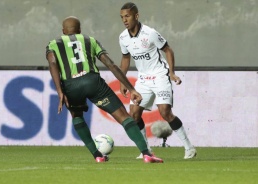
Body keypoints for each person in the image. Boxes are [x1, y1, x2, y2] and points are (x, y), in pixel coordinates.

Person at [45, 16, 163, 163]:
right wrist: (131, 88)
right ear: (80, 30)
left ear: (63, 31)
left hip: (70, 86)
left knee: (77, 117)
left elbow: (53, 63)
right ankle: (146, 154)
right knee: (123, 116)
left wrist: (60, 91)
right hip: (93, 82)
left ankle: (97, 156)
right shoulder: (90, 40)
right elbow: (111, 64)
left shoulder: (53, 44)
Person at [119, 2, 197, 159]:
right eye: (122, 17)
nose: (125, 20)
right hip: (143, 79)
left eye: (127, 16)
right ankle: (146, 150)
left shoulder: (150, 33)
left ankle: (189, 148)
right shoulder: (123, 37)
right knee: (134, 114)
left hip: (160, 75)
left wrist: (172, 73)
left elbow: (168, 50)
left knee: (165, 112)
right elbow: (126, 59)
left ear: (136, 16)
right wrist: (122, 81)